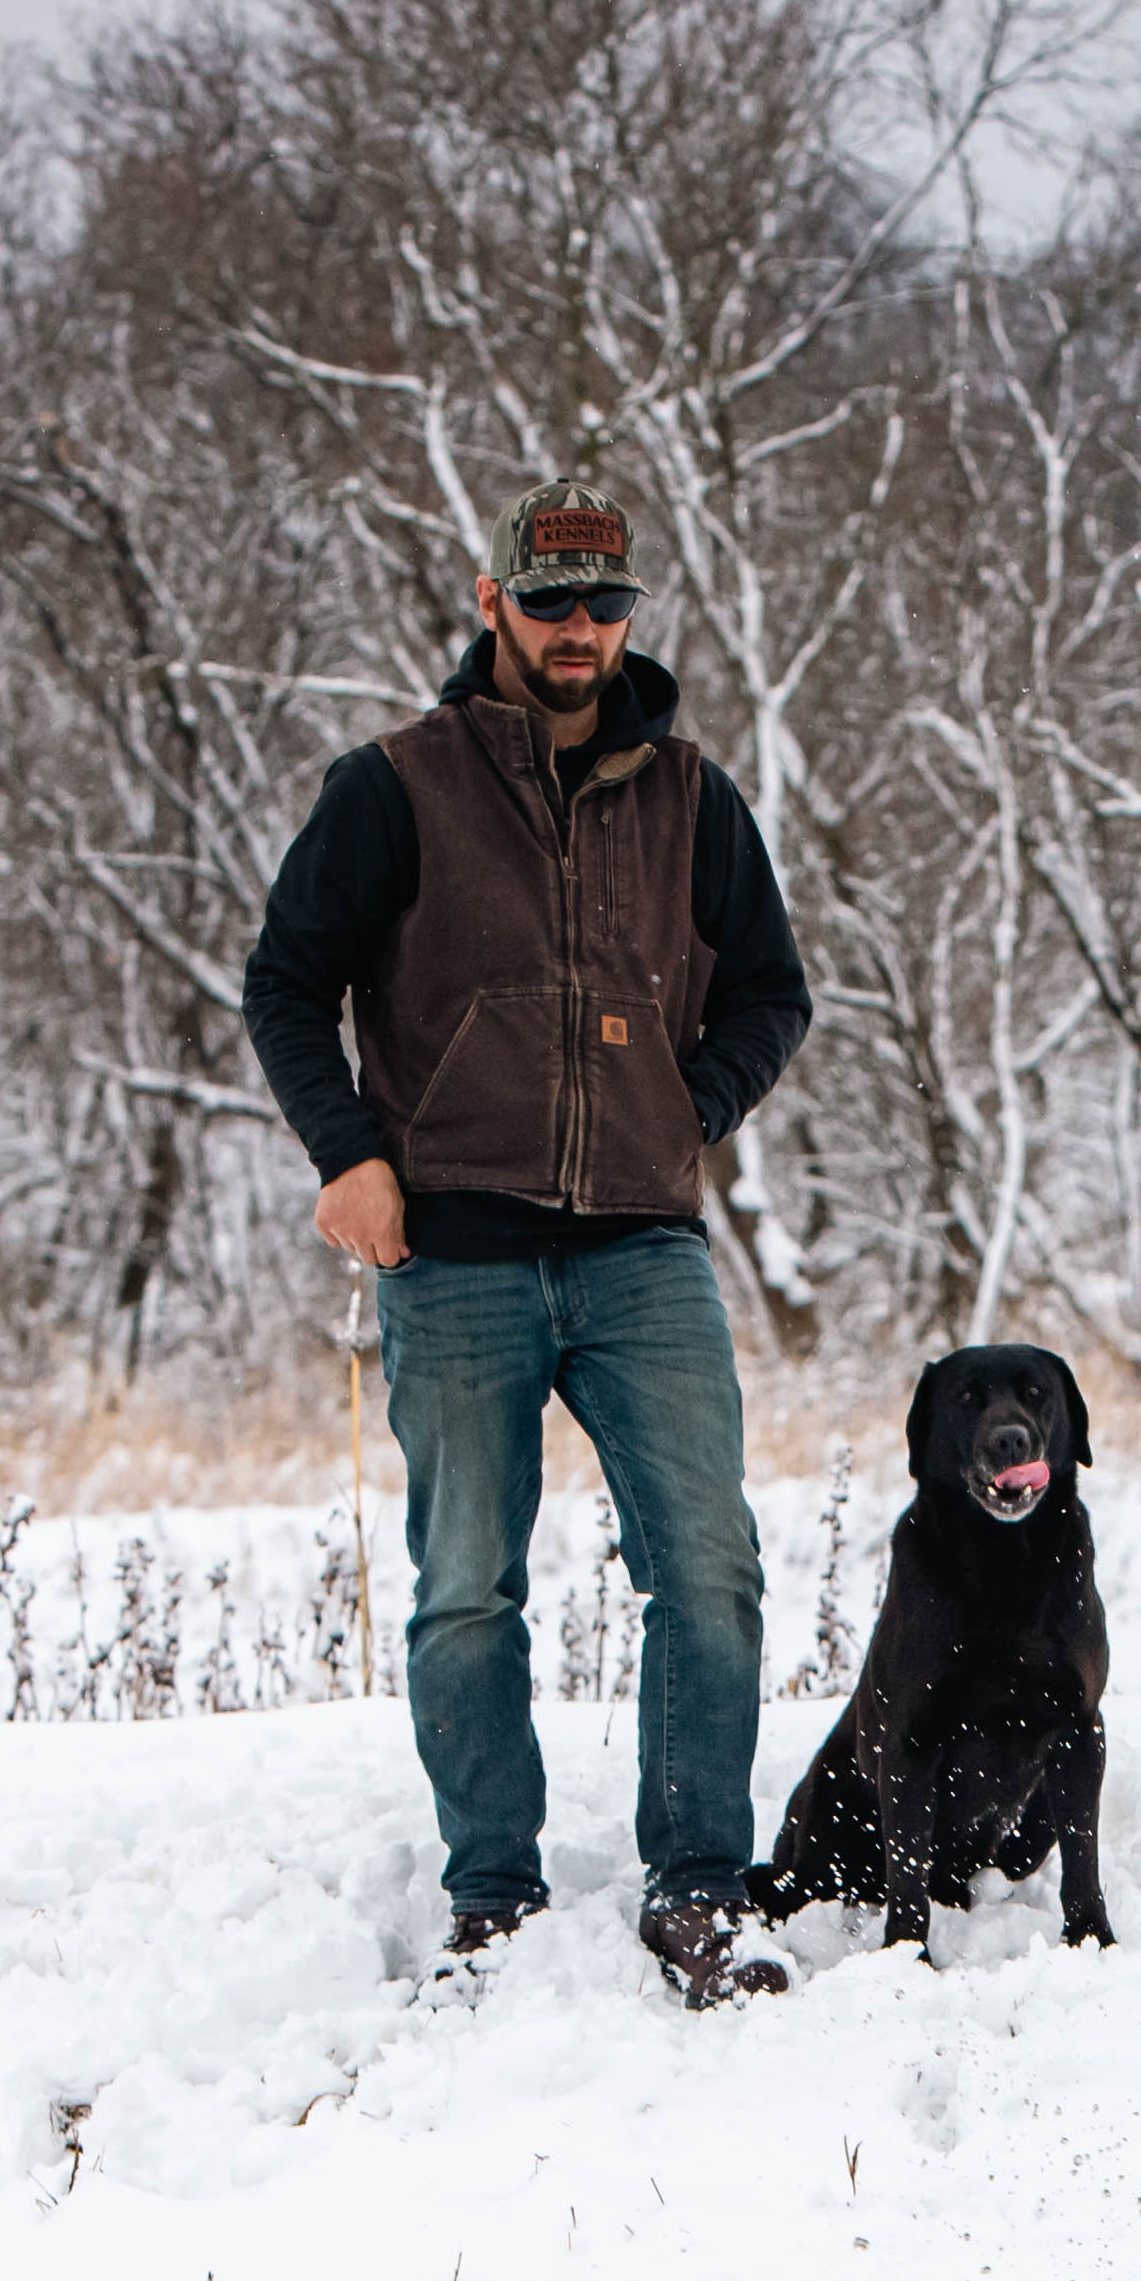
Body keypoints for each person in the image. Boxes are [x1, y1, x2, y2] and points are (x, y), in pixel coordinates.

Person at [241, 479, 815, 2006]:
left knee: (710, 1570)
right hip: (456, 1255)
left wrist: (683, 1108)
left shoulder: (692, 799)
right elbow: (285, 984)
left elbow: (774, 993)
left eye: (604, 603)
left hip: (643, 1249)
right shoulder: (395, 787)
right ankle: (490, 1896)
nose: (579, 629)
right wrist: (351, 1154)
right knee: (463, 1590)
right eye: (549, 601)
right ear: (492, 601)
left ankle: (700, 1889)